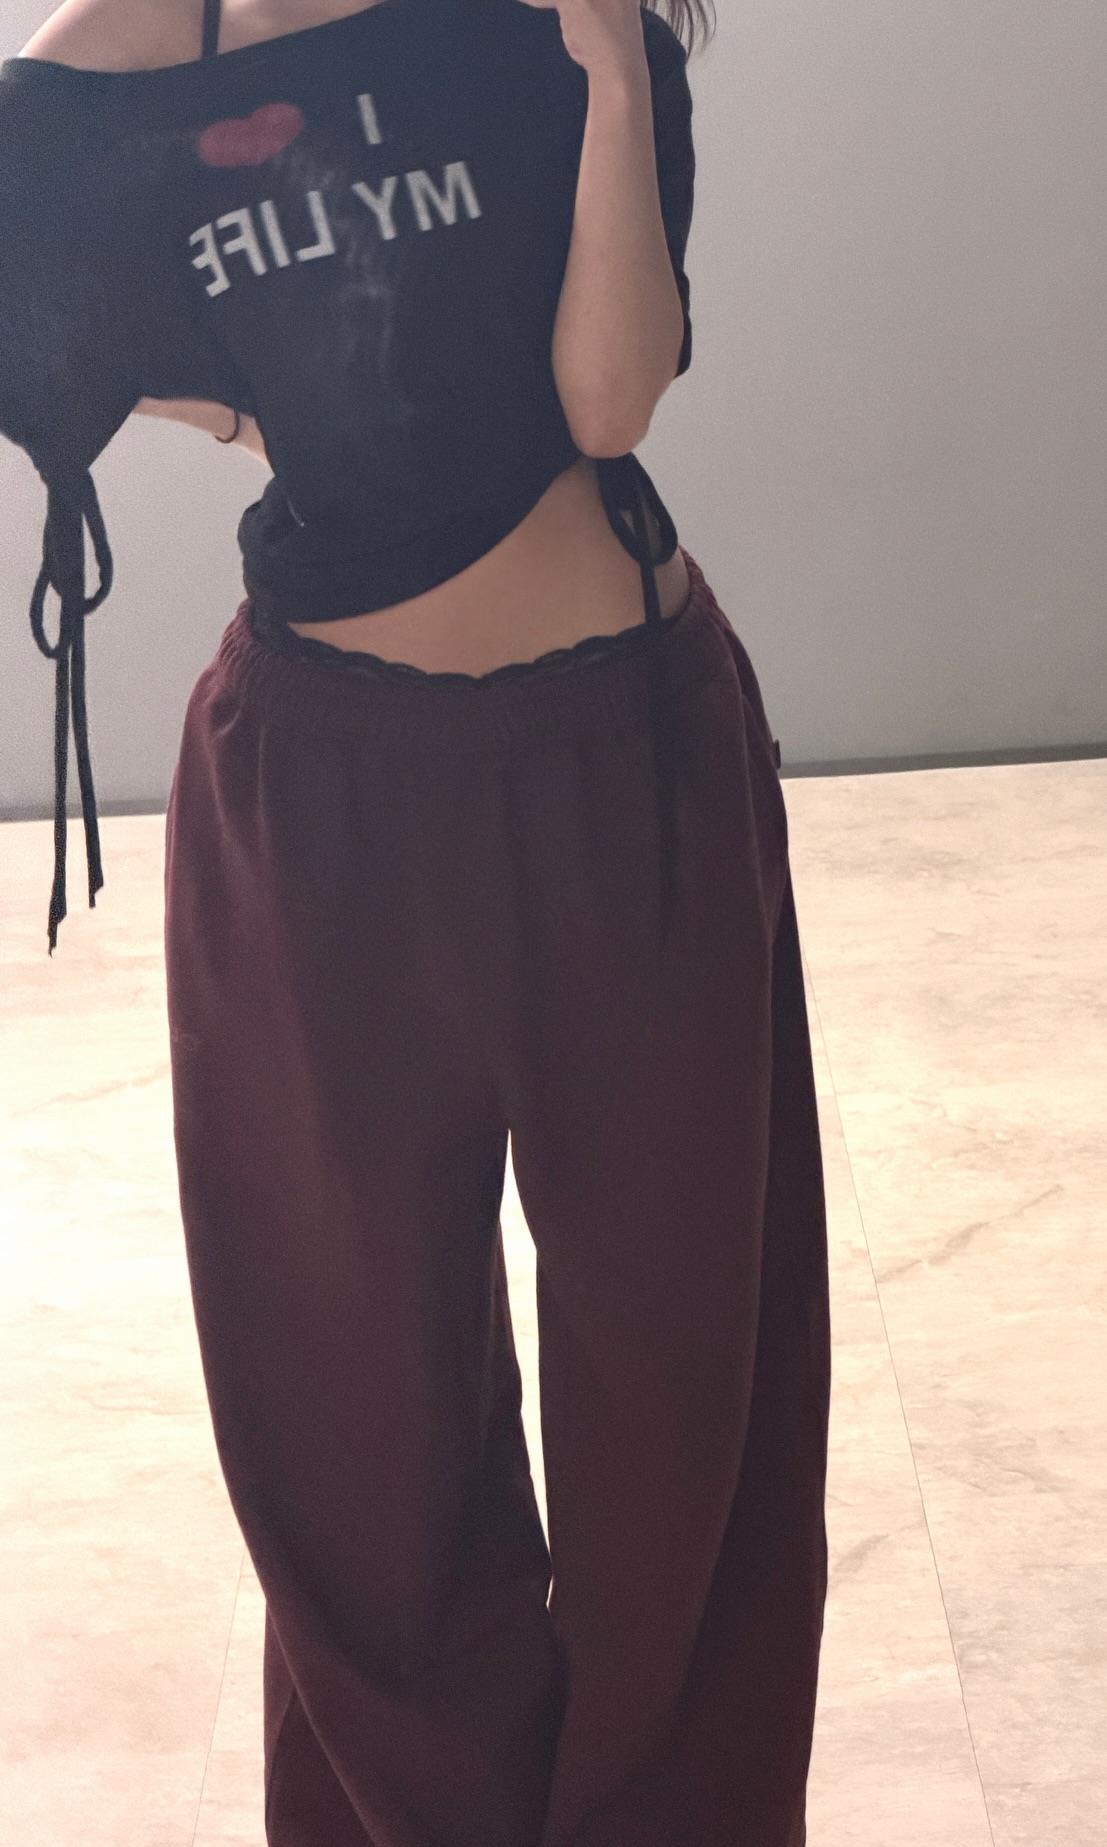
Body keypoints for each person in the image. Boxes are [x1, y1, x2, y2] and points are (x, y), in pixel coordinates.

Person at [0, 0, 830, 1839]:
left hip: (624, 759)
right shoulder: (177, 28)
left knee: (685, 1373)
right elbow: (29, 190)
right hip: (325, 792)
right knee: (347, 1395)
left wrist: (608, 69)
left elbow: (610, 401)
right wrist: (235, 386)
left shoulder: (568, 34)